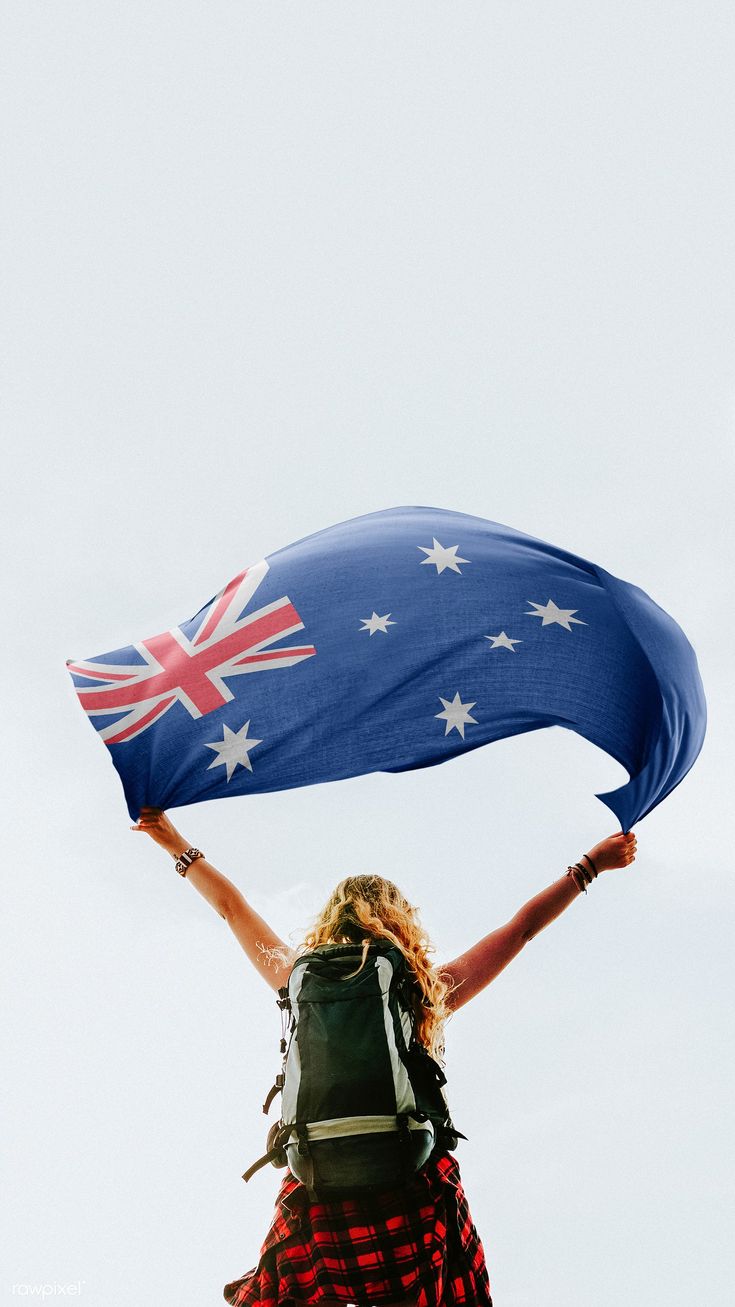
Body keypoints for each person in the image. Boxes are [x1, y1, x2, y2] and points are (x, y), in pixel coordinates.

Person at [132, 807, 637, 1307]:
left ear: (330, 922)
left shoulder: (298, 980)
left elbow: (231, 908)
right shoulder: (422, 989)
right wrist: (590, 865)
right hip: (414, 1195)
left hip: (318, 1197)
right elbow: (521, 929)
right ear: (401, 923)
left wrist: (176, 844)